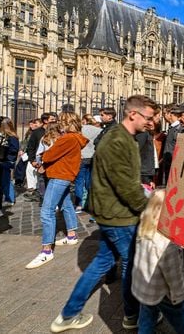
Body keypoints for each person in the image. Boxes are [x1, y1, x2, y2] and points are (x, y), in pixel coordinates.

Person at [50, 95, 154, 333]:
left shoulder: (122, 137)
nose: (151, 122)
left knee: (102, 262)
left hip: (111, 213)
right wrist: (148, 208)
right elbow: (125, 186)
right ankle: (131, 315)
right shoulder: (118, 140)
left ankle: (68, 314)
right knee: (130, 264)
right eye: (148, 117)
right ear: (132, 114)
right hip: (119, 215)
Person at [25, 113, 88, 269]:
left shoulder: (68, 138)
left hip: (59, 175)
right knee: (66, 204)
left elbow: (49, 155)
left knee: (47, 211)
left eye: (61, 121)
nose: (58, 124)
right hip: (63, 174)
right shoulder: (74, 137)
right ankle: (72, 235)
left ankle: (46, 251)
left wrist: (43, 156)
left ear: (66, 123)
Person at [131, 189, 184, 334]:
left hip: (144, 289)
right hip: (164, 295)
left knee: (146, 319)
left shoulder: (144, 225)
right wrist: (180, 297)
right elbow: (174, 277)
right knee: (182, 323)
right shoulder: (168, 243)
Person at [74, 114, 102, 212]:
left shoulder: (80, 130)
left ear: (84, 120)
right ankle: (90, 203)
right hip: (93, 157)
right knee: (90, 181)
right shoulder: (99, 130)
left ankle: (79, 204)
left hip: (81, 157)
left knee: (79, 182)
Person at [0, 117, 19, 207]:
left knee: (6, 180)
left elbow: (14, 149)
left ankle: (10, 198)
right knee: (4, 180)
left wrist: (4, 150)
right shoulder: (7, 136)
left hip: (7, 161)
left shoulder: (12, 137)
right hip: (5, 160)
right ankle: (8, 197)